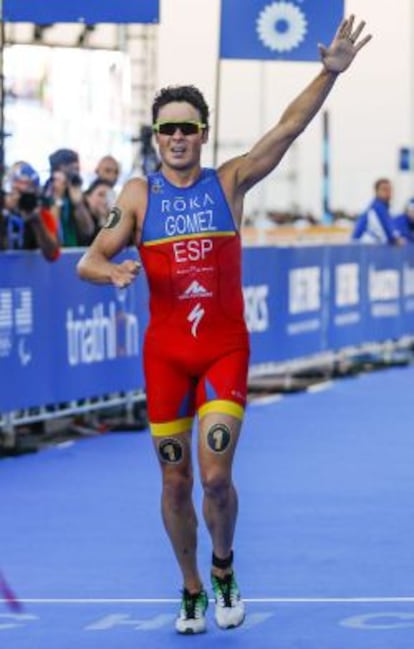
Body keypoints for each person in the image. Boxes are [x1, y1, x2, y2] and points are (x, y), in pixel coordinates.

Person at [77, 15, 371, 634]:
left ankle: (224, 568)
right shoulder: (137, 196)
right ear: (156, 138)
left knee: (214, 477)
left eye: (187, 128)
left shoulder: (229, 181)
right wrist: (115, 274)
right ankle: (189, 589)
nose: (178, 137)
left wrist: (328, 72)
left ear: (202, 134)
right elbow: (88, 261)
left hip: (222, 352)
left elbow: (287, 129)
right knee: (175, 483)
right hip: (164, 358)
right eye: (167, 130)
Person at [1, 161, 60, 261]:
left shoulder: (42, 213)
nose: (21, 198)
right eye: (16, 192)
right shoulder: (3, 210)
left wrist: (37, 222)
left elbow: (52, 255)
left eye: (26, 194)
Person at [42, 148, 95, 246]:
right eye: (70, 170)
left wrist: (78, 204)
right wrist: (57, 198)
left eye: (76, 170)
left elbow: (88, 231)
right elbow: (50, 234)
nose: (73, 174)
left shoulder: (76, 194)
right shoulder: (43, 196)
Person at [351, 178, 404, 245]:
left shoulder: (387, 209)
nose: (388, 192)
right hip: (364, 246)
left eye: (390, 189)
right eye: (384, 189)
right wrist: (397, 239)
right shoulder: (377, 207)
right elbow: (390, 231)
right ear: (376, 191)